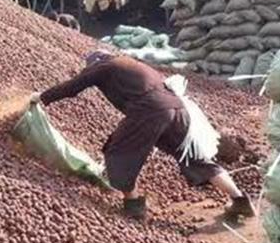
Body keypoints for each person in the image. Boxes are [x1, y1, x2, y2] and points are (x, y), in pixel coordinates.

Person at [30, 52, 255, 220]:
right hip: (177, 108)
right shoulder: (132, 65)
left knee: (119, 151)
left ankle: (134, 205)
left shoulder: (104, 67)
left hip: (150, 110)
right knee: (194, 158)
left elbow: (72, 87)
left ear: (95, 64)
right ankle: (239, 200)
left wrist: (41, 97)